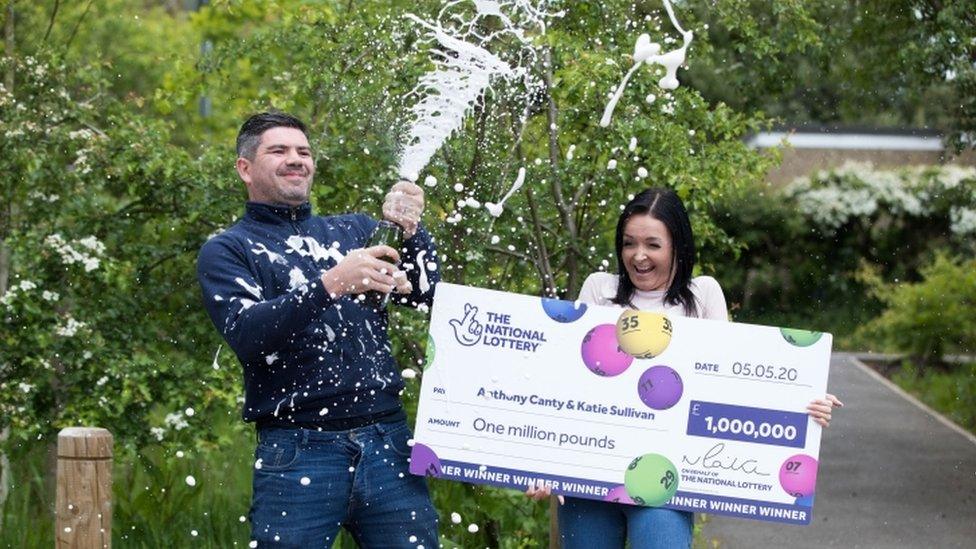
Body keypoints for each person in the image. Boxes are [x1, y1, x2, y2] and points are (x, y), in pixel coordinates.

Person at [526, 187, 842, 548]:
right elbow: (566, 381)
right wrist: (540, 462)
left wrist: (803, 402)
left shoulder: (703, 294)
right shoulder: (600, 289)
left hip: (664, 479)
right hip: (589, 475)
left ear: (678, 246)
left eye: (653, 245)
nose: (639, 256)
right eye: (629, 243)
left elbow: (732, 381)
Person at [197, 112, 441, 547]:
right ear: (244, 168)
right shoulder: (228, 249)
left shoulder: (356, 231)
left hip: (388, 441)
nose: (296, 160)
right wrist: (332, 283)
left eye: (303, 152)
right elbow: (247, 334)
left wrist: (411, 232)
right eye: (279, 151)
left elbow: (428, 293)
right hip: (297, 449)